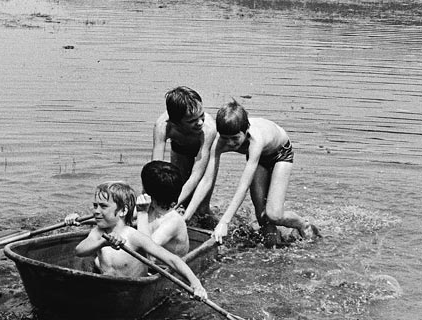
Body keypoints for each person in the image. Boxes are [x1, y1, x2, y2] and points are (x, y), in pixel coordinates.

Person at [184, 100, 319, 245]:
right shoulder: (219, 142)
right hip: (260, 159)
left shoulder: (255, 139)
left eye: (235, 138)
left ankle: (302, 224)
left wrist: (224, 222)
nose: (229, 143)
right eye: (225, 138)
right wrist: (185, 218)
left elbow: (243, 186)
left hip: (280, 154)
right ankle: (276, 249)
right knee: (263, 219)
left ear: (246, 130)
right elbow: (206, 180)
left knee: (273, 215)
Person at [68, 181, 207, 298]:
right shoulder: (98, 232)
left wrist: (195, 284)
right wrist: (103, 242)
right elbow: (79, 251)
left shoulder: (133, 236)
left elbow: (172, 259)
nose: (96, 211)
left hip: (131, 291)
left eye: (103, 206)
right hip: (109, 287)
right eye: (95, 205)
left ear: (122, 211)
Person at [151, 86, 217, 214]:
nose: (200, 123)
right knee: (179, 195)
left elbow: (196, 175)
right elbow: (156, 168)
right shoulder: (163, 126)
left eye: (201, 115)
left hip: (205, 154)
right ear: (175, 122)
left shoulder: (208, 129)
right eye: (192, 121)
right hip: (180, 151)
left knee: (201, 209)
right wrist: (154, 201)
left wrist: (172, 206)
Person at [135, 161, 189, 256]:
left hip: (164, 267)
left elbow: (147, 250)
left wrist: (142, 213)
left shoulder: (173, 221)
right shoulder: (151, 206)